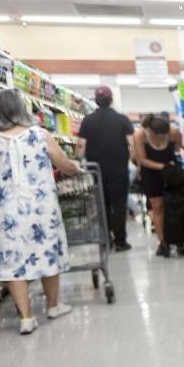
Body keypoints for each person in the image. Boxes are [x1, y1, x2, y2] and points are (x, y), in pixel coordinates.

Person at [0, 89, 81, 335]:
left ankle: (26, 317)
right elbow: (65, 165)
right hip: (40, 208)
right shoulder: (40, 135)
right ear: (20, 108)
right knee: (45, 251)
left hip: (6, 211)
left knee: (12, 259)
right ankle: (53, 305)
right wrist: (75, 167)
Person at [134, 113, 184, 257]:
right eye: (160, 136)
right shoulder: (140, 135)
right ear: (150, 131)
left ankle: (179, 239)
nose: (163, 138)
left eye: (165, 135)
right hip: (151, 173)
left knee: (178, 205)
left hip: (171, 174)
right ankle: (163, 242)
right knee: (158, 207)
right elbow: (142, 160)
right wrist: (164, 167)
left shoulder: (174, 132)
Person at [77, 86, 134, 251]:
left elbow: (81, 146)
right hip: (119, 172)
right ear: (111, 100)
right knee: (119, 206)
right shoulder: (122, 119)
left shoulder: (87, 120)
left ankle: (106, 239)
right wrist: (135, 161)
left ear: (96, 100)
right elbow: (132, 144)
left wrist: (76, 162)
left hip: (97, 172)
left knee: (102, 206)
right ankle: (121, 241)